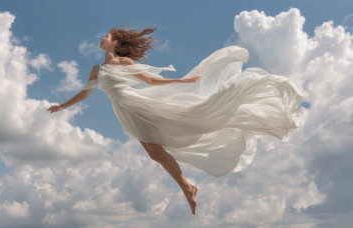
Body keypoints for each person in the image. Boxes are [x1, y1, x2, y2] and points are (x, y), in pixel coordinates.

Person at [47, 27, 303, 215]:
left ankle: (187, 188)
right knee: (154, 152)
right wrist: (62, 105)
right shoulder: (97, 69)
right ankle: (188, 188)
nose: (102, 37)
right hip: (125, 111)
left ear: (113, 43)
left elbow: (150, 81)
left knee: (158, 148)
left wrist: (178, 81)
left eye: (106, 36)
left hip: (137, 105)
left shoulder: (125, 62)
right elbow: (85, 92)